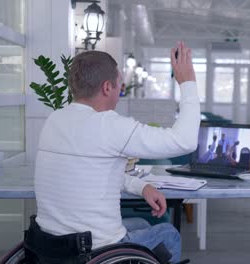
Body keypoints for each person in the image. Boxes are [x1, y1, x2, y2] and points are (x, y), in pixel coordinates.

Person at [34, 41, 199, 263]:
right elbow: (185, 141)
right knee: (169, 235)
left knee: (141, 224)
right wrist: (187, 82)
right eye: (120, 85)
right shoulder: (111, 126)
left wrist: (142, 186)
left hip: (51, 247)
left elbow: (92, 172)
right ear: (107, 88)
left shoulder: (54, 120)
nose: (120, 92)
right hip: (95, 250)